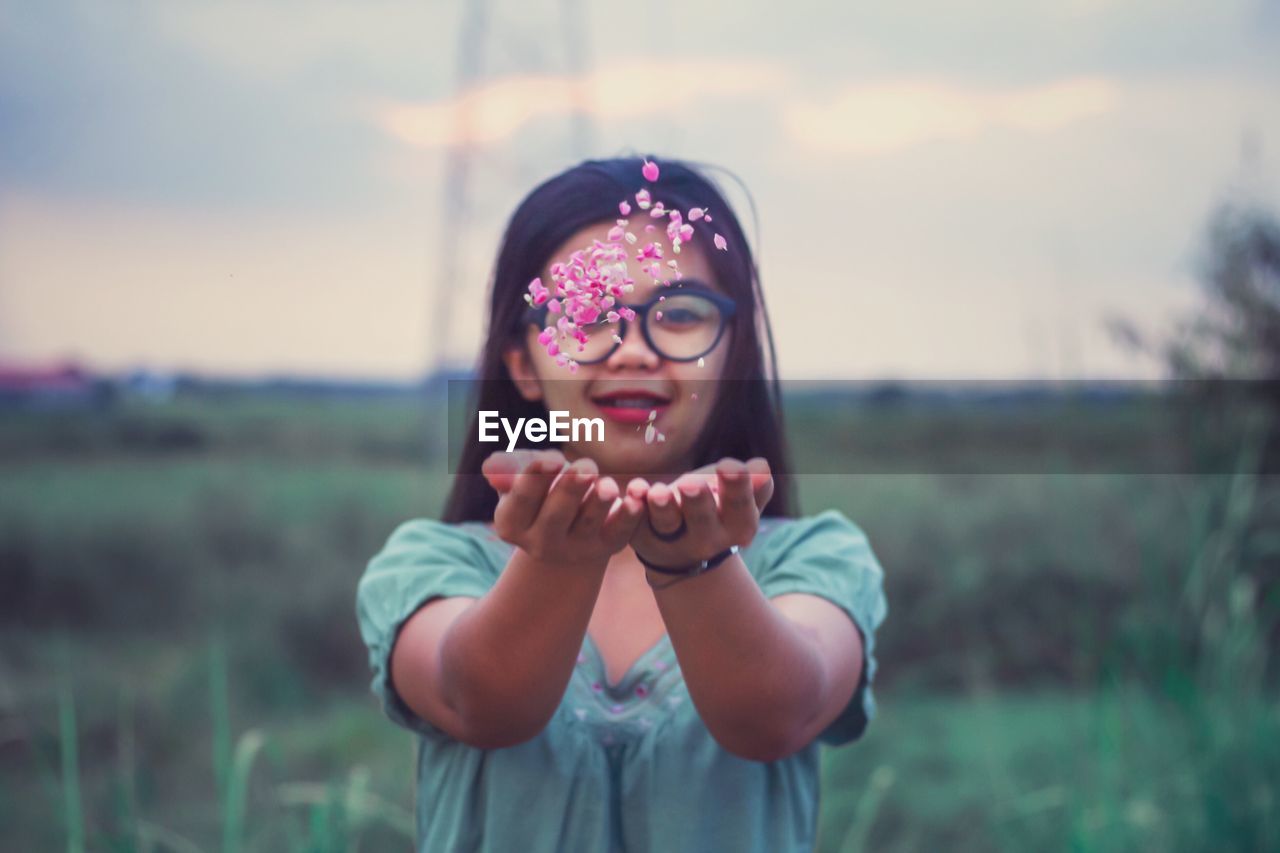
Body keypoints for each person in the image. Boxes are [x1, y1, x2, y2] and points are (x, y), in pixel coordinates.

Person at [356, 156, 888, 852]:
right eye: (585, 315)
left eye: (680, 314)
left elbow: (775, 714)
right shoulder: (430, 561)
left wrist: (694, 567)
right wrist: (557, 564)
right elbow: (481, 701)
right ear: (519, 360)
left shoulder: (815, 556)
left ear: (733, 352)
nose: (634, 351)